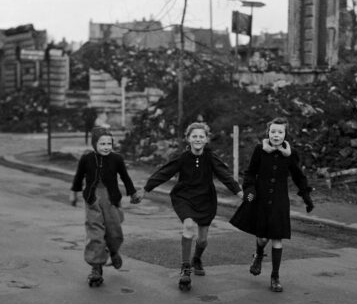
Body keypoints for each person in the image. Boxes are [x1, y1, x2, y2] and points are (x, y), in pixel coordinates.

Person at [140, 122, 243, 291]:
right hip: (184, 197)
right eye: (194, 136)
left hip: (206, 199)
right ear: (188, 139)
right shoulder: (182, 157)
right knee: (188, 226)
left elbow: (225, 175)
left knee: (202, 240)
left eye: (201, 136)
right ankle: (185, 268)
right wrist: (145, 189)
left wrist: (239, 192)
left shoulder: (210, 157)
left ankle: (197, 258)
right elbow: (164, 173)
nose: (198, 139)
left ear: (206, 139)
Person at [230, 117, 314, 293]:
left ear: (285, 134)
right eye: (273, 131)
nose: (276, 135)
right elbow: (250, 173)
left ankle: (275, 277)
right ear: (268, 133)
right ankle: (259, 255)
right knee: (262, 238)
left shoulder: (291, 154)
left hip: (279, 201)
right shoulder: (260, 150)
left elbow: (298, 176)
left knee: (277, 238)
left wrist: (306, 196)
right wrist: (250, 190)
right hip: (261, 198)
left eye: (280, 132)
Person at [70, 127, 142, 287]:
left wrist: (132, 193)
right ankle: (96, 268)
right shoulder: (86, 159)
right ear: (94, 144)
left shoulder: (117, 159)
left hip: (111, 200)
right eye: (102, 143)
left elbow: (125, 177)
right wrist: (74, 193)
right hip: (92, 199)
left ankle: (114, 252)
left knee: (114, 232)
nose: (106, 147)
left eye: (109, 143)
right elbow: (78, 177)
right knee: (95, 233)